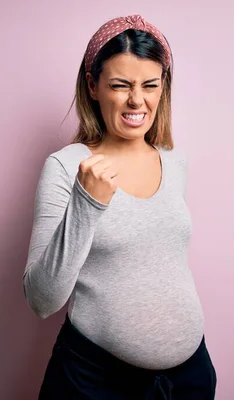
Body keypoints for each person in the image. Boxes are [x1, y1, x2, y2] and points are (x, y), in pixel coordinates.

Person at [22, 14, 217, 399]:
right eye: (120, 85)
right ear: (93, 86)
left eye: (150, 85)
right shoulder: (65, 166)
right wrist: (86, 201)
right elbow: (42, 300)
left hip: (189, 379)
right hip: (98, 382)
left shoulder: (174, 161)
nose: (136, 100)